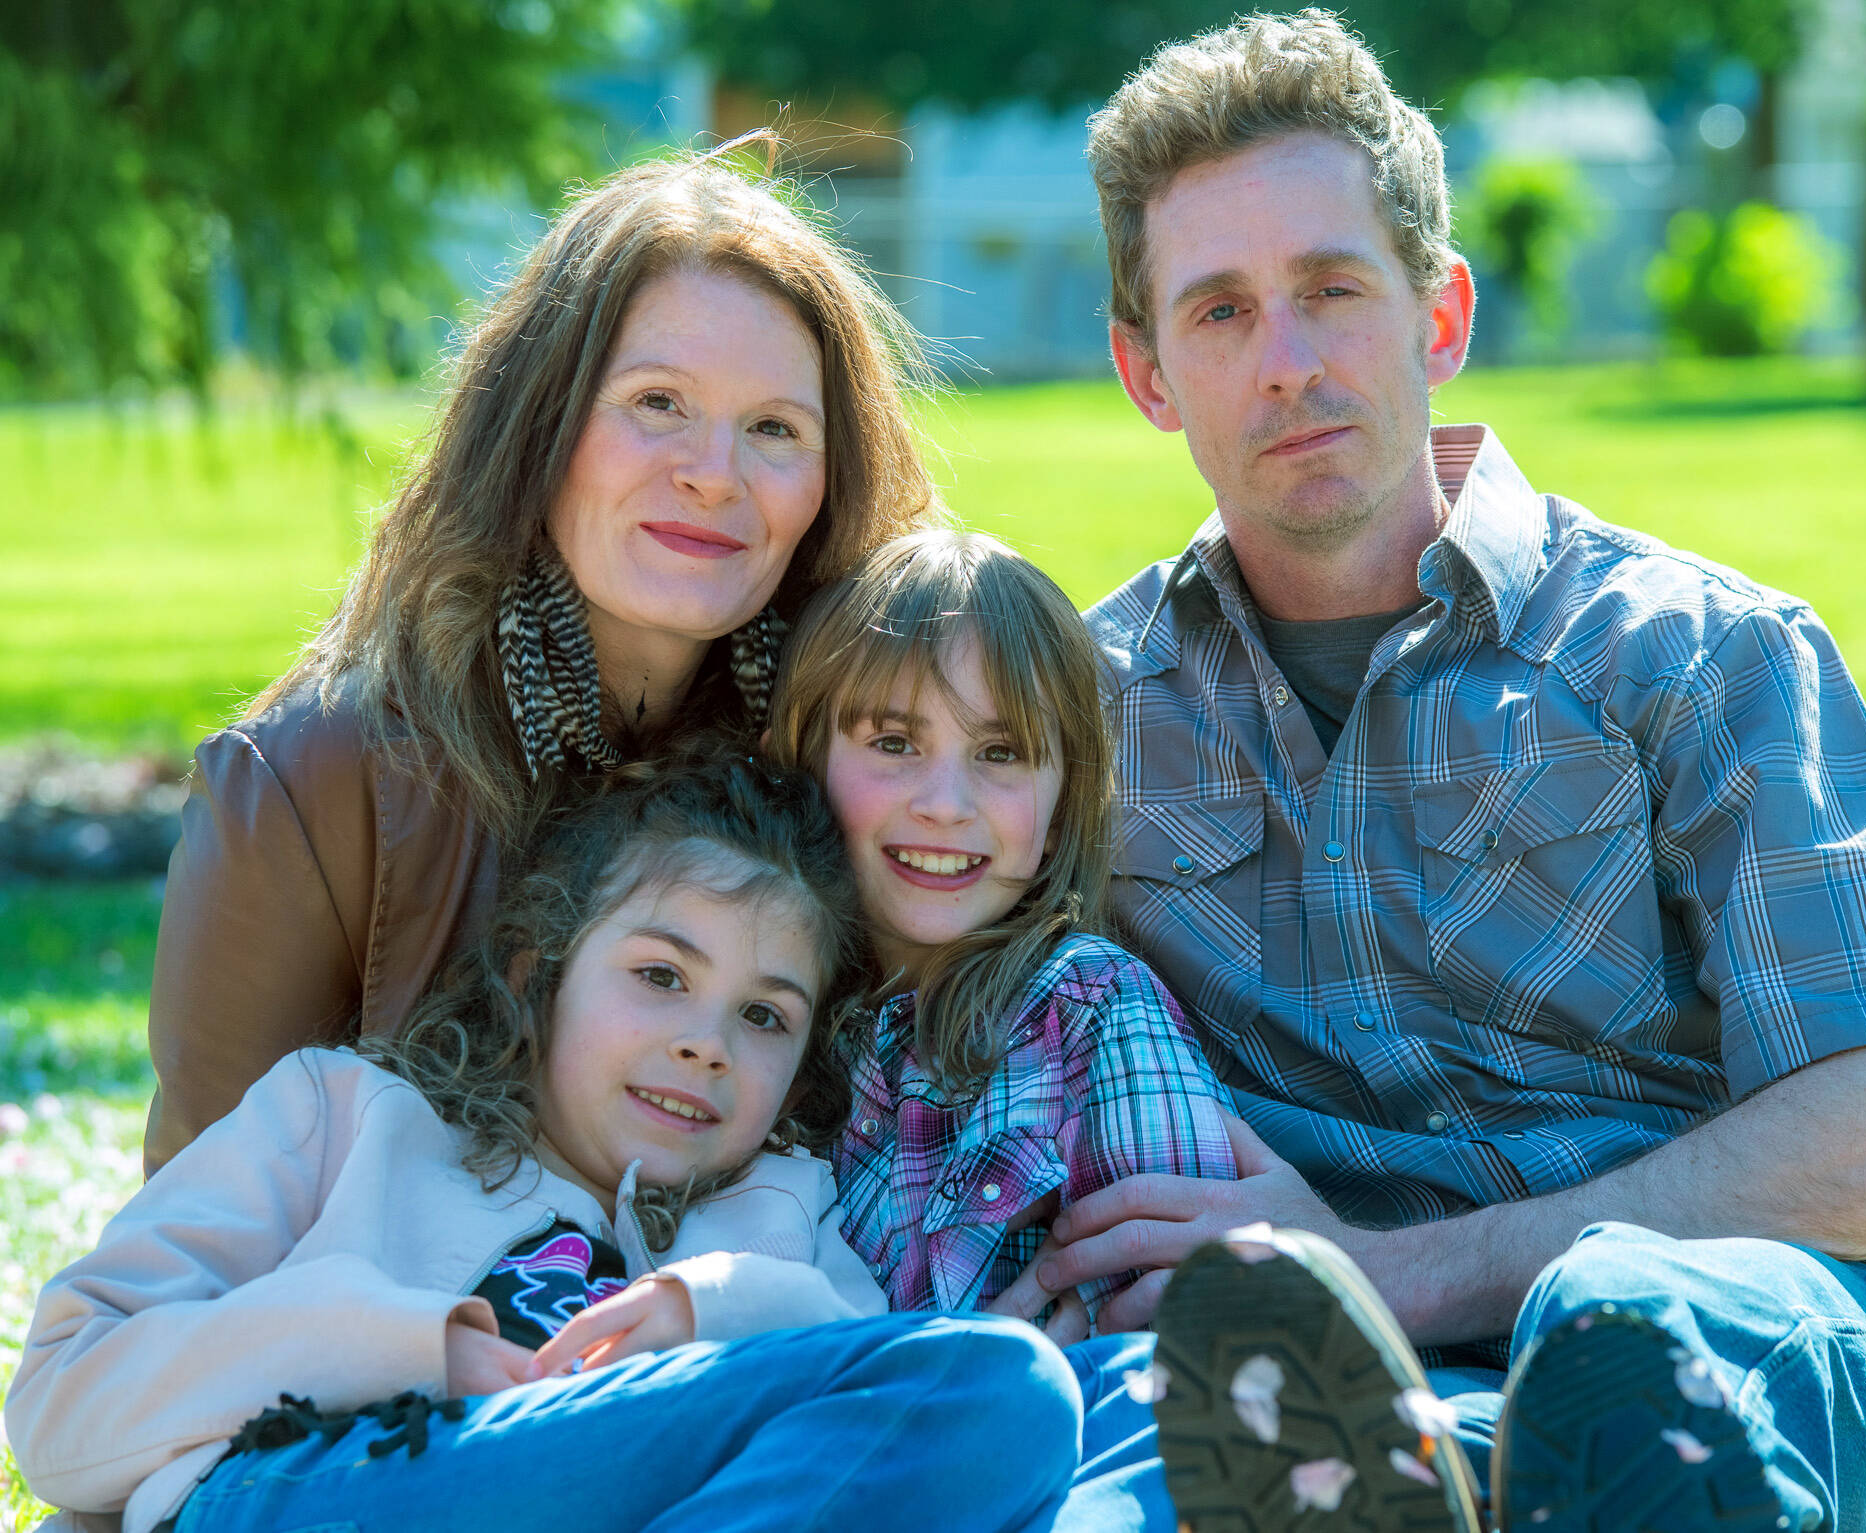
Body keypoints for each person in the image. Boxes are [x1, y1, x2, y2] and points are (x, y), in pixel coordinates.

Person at [992, 11, 1866, 1531]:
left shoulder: (1694, 653)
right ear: (1145, 372)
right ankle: (1464, 1480)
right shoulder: (1090, 720)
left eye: (1332, 290)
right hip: (1363, 1401)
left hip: (1790, 1346)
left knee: (1624, 1331)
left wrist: (1399, 1274)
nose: (1287, 363)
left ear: (1439, 315)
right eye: (1219, 313)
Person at [7, 752, 1082, 1533]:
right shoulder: (343, 1116)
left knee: (1073, 1392)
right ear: (540, 972)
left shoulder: (784, 1207)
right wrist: (420, 1349)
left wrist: (705, 1310)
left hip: (629, 1479)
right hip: (331, 1483)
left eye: (764, 1017)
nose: (705, 1046)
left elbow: (872, 1391)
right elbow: (62, 1399)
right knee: (1001, 1390)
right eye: (660, 977)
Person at [144, 136, 939, 1175]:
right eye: (657, 403)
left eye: (775, 428)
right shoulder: (313, 787)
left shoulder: (855, 763)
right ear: (540, 426)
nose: (714, 473)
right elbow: (189, 1265)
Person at [767, 528, 1238, 1322]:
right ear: (804, 760)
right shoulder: (768, 1013)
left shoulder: (1085, 1009)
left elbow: (1191, 1326)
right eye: (893, 742)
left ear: (1058, 813)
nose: (946, 803)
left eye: (1001, 752)